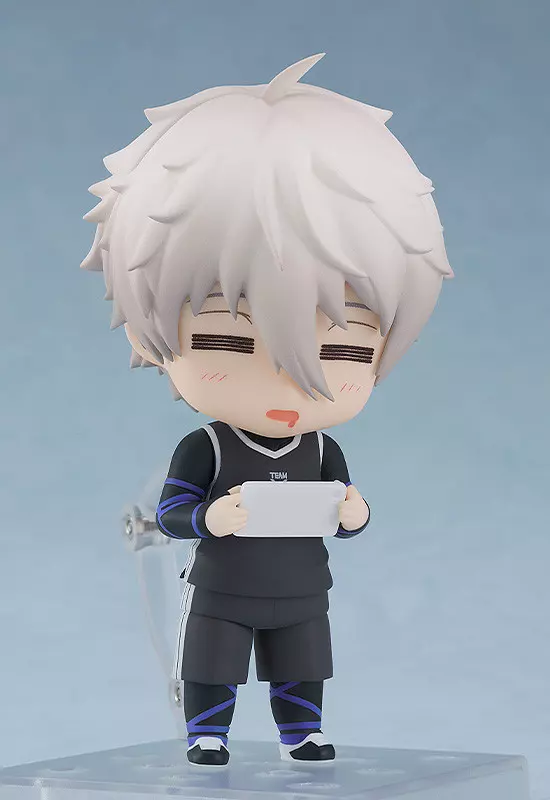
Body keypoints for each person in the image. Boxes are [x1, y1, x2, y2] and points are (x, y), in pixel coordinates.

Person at [81, 53, 453, 766]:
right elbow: (171, 512)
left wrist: (355, 513)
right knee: (212, 658)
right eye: (230, 340)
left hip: (303, 586)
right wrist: (209, 519)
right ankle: (208, 732)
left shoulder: (322, 449)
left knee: (303, 659)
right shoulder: (208, 448)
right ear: (148, 334)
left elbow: (345, 508)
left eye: (342, 350)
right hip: (223, 586)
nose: (290, 383)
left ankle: (301, 730)